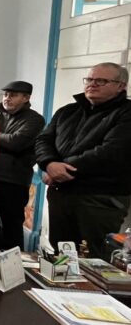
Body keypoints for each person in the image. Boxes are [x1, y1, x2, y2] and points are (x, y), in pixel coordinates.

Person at [35, 62, 131, 258]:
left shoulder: (126, 113)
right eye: (89, 79)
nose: (92, 84)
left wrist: (61, 169)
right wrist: (49, 164)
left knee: (93, 258)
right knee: (62, 254)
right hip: (61, 194)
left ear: (121, 86)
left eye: (101, 81)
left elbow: (111, 152)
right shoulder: (68, 111)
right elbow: (43, 139)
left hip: (99, 198)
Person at [0, 80, 44, 250]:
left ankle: (14, 263)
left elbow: (15, 142)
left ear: (25, 98)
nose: (7, 98)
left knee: (11, 226)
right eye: (5, 94)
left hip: (13, 180)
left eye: (13, 95)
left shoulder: (35, 119)